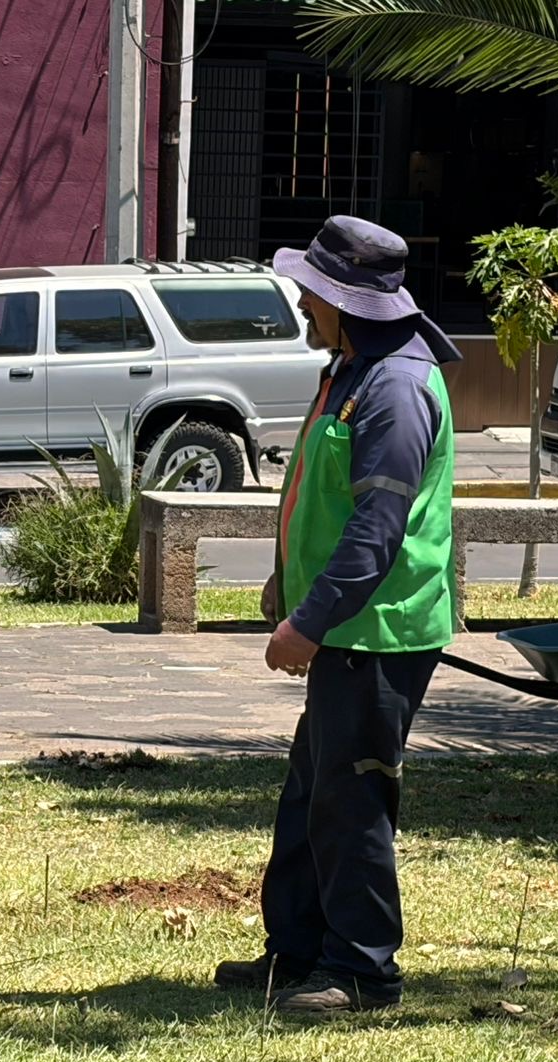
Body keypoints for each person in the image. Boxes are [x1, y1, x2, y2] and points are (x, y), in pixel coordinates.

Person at [212, 215, 461, 1014]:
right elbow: (322, 499)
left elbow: (377, 529)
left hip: (377, 631)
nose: (300, 301)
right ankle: (297, 951)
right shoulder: (353, 366)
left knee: (352, 799)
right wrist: (287, 584)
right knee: (311, 794)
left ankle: (362, 971)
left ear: (343, 300)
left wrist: (310, 622)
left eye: (310, 291)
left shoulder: (395, 386)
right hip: (344, 622)